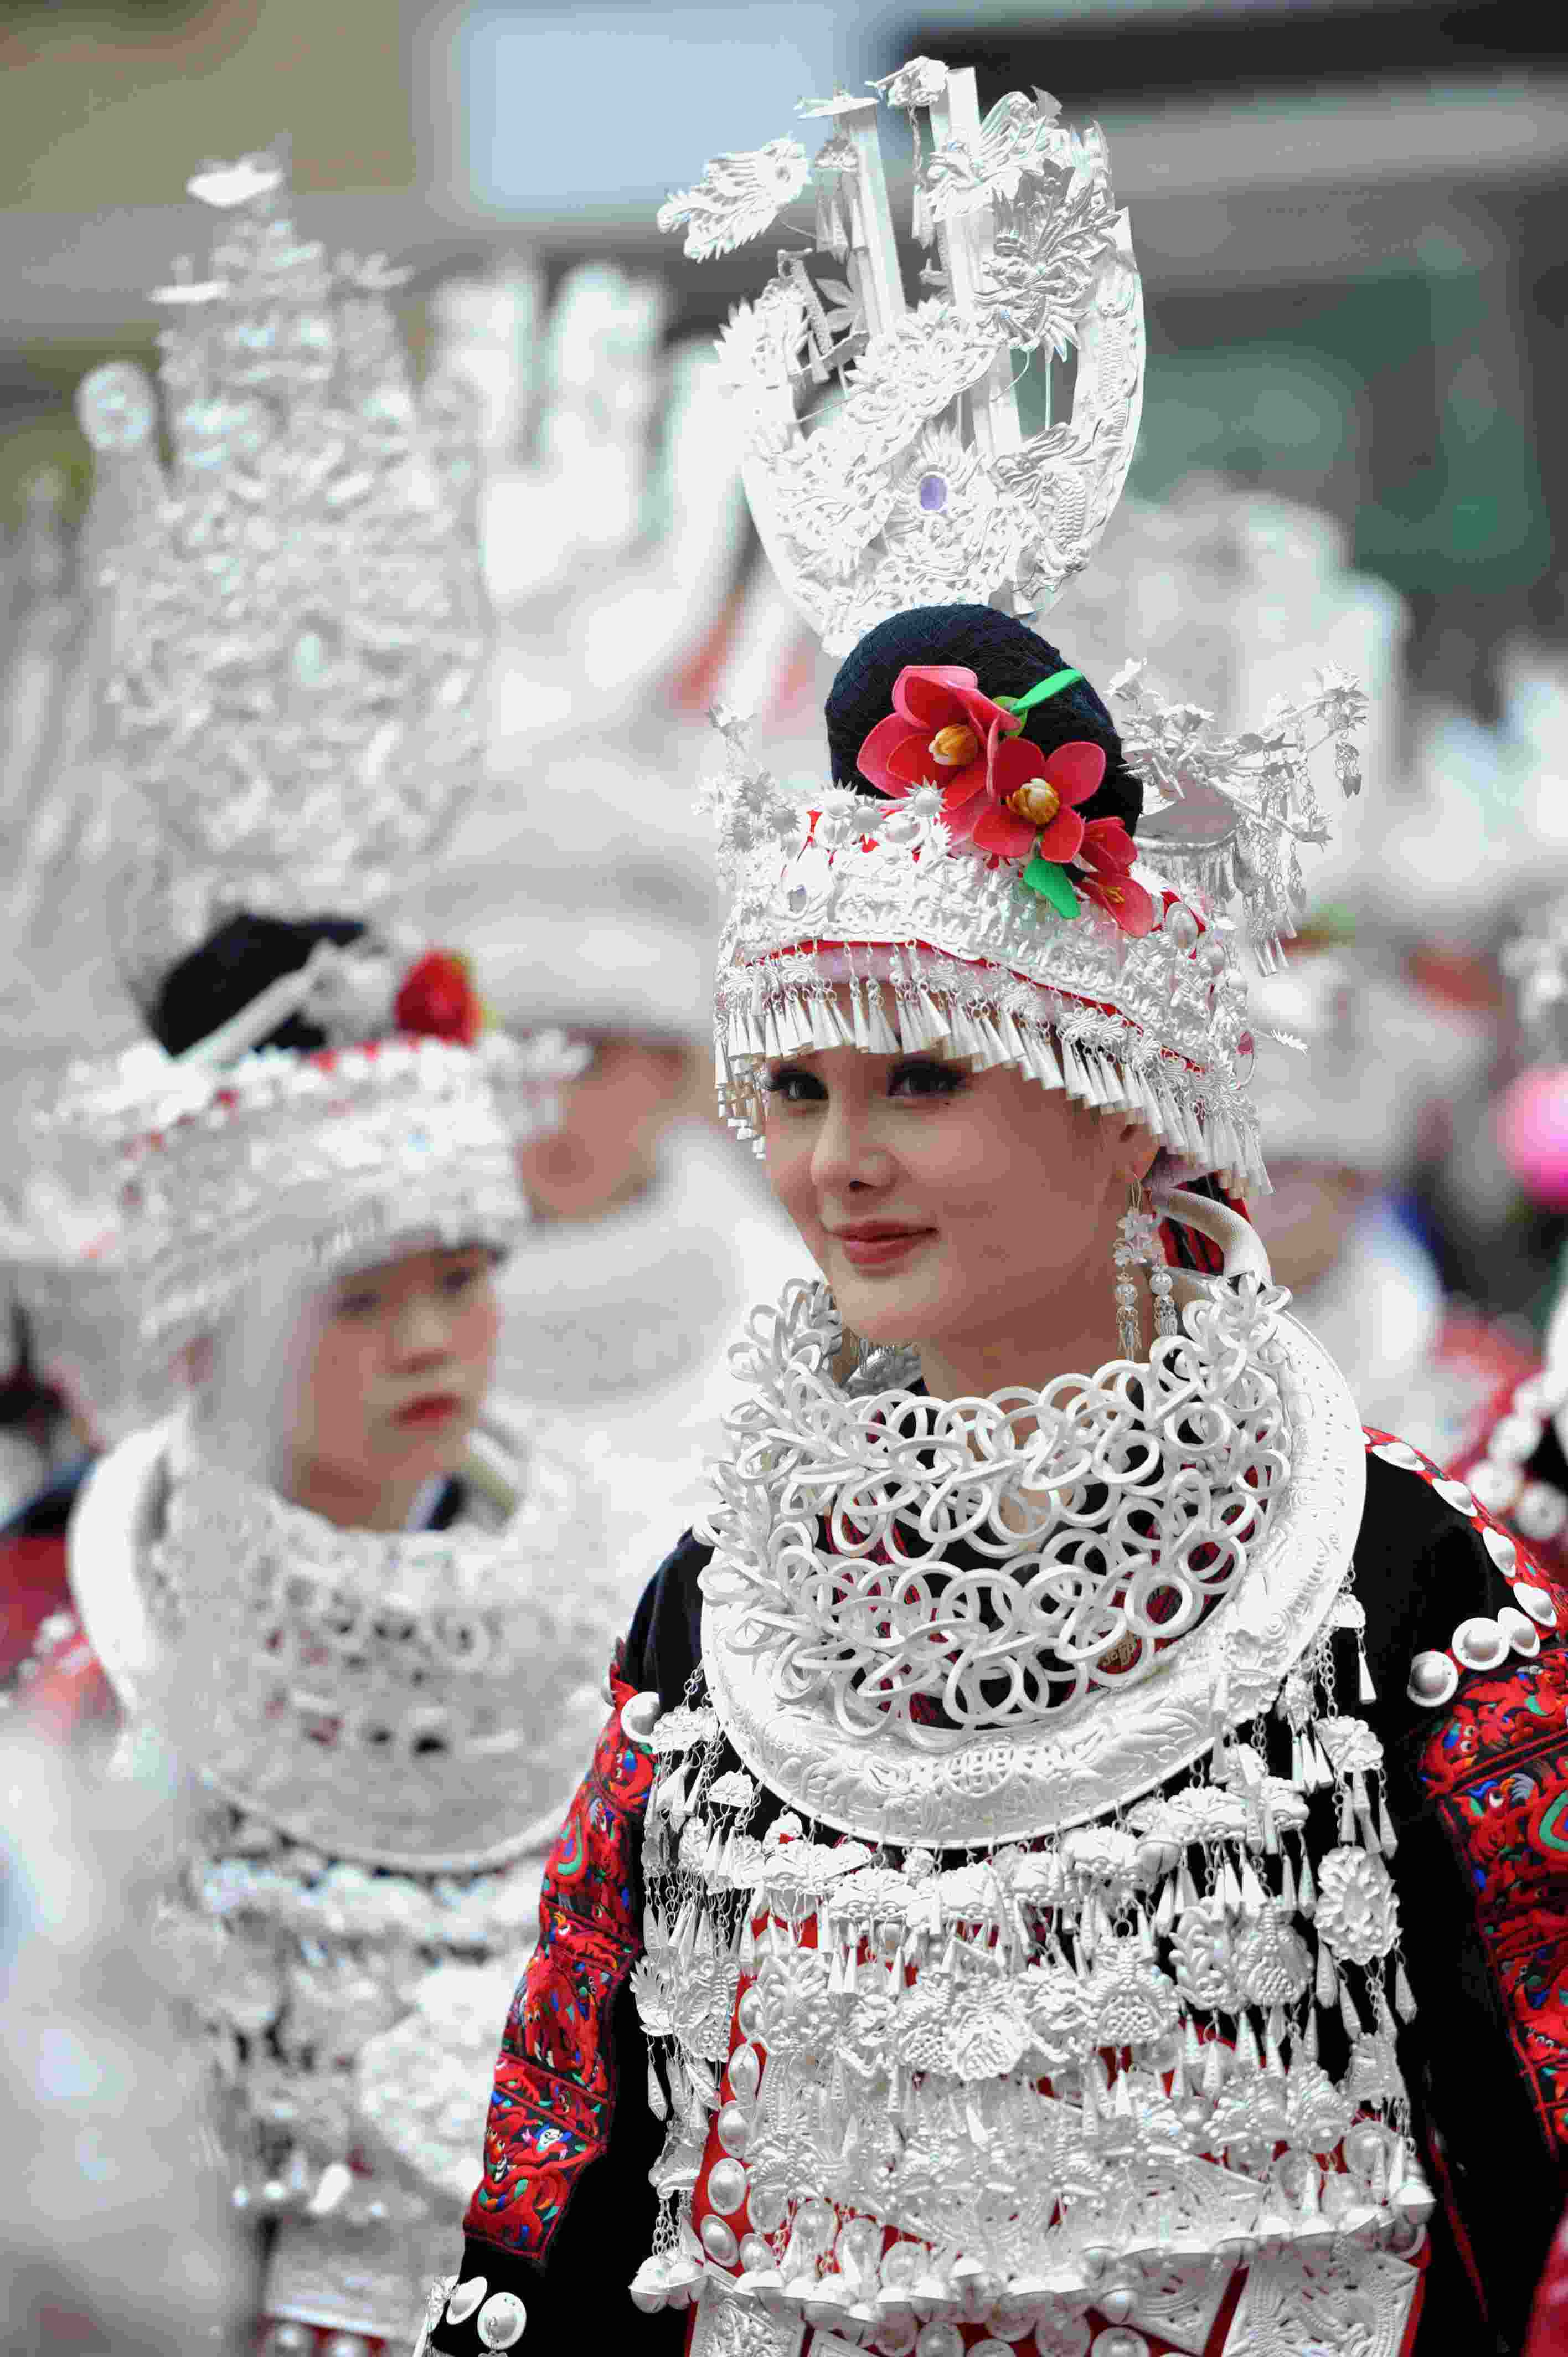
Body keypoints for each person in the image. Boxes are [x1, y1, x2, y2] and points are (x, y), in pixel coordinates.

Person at [420, 59, 1568, 2356]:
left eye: (924, 1081)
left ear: (1129, 1112)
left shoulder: (1400, 1591)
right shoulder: (721, 1623)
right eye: (800, 1088)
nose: (838, 1161)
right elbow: (561, 2205)